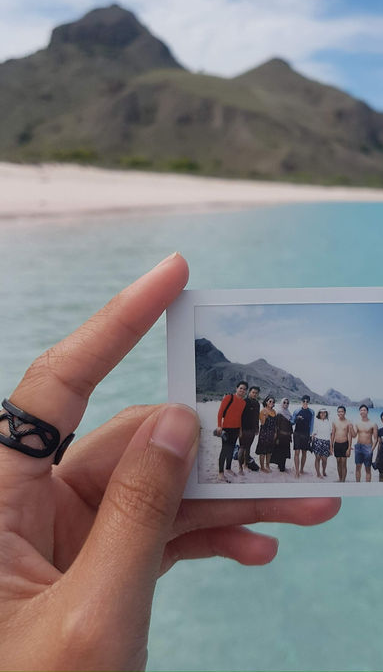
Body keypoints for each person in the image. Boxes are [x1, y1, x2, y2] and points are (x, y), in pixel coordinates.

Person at [0, 253, 340, 670]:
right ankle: (235, 467)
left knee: (247, 455)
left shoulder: (260, 405)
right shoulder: (234, 399)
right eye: (254, 391)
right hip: (236, 433)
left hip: (253, 436)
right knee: (235, 454)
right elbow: (223, 417)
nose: (258, 394)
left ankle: (242, 466)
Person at [216, 381, 247, 481]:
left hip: (236, 429)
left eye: (244, 389)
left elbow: (240, 417)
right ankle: (220, 473)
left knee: (231, 449)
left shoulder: (243, 402)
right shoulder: (229, 397)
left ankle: (228, 468)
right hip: (226, 428)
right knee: (224, 450)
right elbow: (220, 413)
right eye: (241, 388)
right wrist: (219, 426)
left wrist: (240, 430)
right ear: (236, 388)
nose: (242, 390)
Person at [351, 404, 378, 482]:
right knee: (358, 467)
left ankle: (367, 487)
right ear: (359, 412)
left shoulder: (373, 424)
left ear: (367, 411)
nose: (362, 411)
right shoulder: (357, 423)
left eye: (364, 410)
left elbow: (376, 439)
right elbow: (354, 435)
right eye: (361, 410)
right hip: (358, 447)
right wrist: (351, 428)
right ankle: (358, 485)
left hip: (368, 447)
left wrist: (371, 450)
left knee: (368, 468)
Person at [237, 385, 260, 474]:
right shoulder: (244, 402)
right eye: (253, 392)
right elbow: (239, 417)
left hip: (252, 430)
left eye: (256, 393)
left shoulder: (257, 404)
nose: (254, 394)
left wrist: (257, 428)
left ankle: (246, 464)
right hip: (244, 429)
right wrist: (240, 429)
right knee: (242, 447)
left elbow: (257, 417)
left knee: (248, 447)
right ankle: (240, 467)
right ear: (249, 392)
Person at [290, 395, 315, 478]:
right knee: (297, 452)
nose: (305, 403)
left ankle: (301, 469)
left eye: (307, 401)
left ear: (309, 402)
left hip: (306, 434)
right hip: (297, 433)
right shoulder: (297, 411)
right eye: (304, 401)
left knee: (304, 453)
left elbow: (311, 425)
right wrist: (297, 418)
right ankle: (297, 471)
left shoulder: (312, 412)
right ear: (301, 401)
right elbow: (292, 422)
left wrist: (311, 435)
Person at [331, 405, 352, 483]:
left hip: (344, 444)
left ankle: (343, 480)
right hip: (337, 444)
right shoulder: (334, 422)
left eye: (342, 411)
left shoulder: (348, 422)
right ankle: (340, 479)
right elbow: (333, 434)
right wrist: (331, 446)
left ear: (345, 412)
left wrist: (349, 448)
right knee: (338, 462)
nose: (340, 413)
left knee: (343, 463)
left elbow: (349, 435)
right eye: (339, 412)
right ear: (337, 413)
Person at [256, 396, 277, 472]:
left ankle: (267, 465)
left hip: (272, 433)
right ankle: (262, 467)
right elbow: (262, 423)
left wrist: (275, 433)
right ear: (266, 402)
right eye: (270, 401)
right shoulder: (263, 411)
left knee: (269, 451)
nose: (272, 403)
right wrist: (265, 416)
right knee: (263, 451)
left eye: (273, 402)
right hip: (264, 433)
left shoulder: (274, 411)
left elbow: (275, 424)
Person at [271, 398, 293, 472]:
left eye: (287, 403)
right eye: (284, 402)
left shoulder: (289, 413)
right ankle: (281, 467)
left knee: (285, 451)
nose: (286, 404)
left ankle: (282, 466)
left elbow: (290, 425)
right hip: (280, 436)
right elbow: (276, 426)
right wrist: (276, 437)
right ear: (281, 403)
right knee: (280, 451)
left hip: (287, 436)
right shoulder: (279, 413)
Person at [311, 408, 331, 478]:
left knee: (324, 459)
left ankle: (323, 471)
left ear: (326, 413)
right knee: (317, 458)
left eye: (324, 412)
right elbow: (314, 431)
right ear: (319, 414)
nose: (322, 414)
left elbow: (331, 434)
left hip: (326, 442)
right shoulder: (316, 421)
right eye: (321, 412)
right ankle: (318, 473)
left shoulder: (329, 421)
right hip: (317, 441)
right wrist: (312, 438)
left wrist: (331, 446)